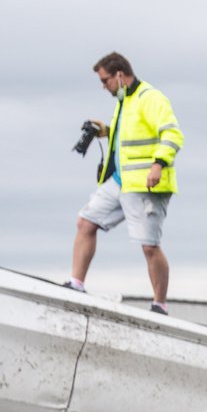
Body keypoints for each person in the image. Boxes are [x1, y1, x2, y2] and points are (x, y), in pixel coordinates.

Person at [68, 52, 183, 313]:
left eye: (105, 80)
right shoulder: (124, 101)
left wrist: (158, 165)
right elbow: (130, 136)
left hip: (146, 184)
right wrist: (105, 132)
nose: (103, 86)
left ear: (120, 75)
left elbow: (172, 134)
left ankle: (160, 304)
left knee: (150, 246)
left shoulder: (150, 98)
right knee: (86, 222)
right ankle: (76, 284)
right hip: (120, 180)